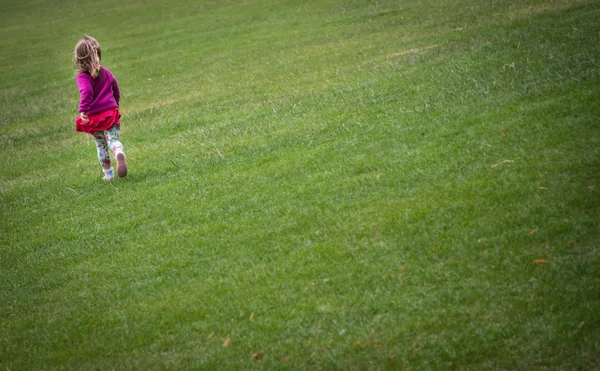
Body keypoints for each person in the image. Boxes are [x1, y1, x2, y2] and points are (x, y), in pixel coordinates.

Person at [73, 35, 127, 180]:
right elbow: (116, 89)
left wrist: (83, 109)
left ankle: (108, 175)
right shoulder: (106, 72)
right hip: (110, 114)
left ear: (78, 59)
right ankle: (118, 151)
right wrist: (115, 104)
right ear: (99, 54)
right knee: (112, 139)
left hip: (94, 118)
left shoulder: (82, 77)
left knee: (101, 145)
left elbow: (87, 91)